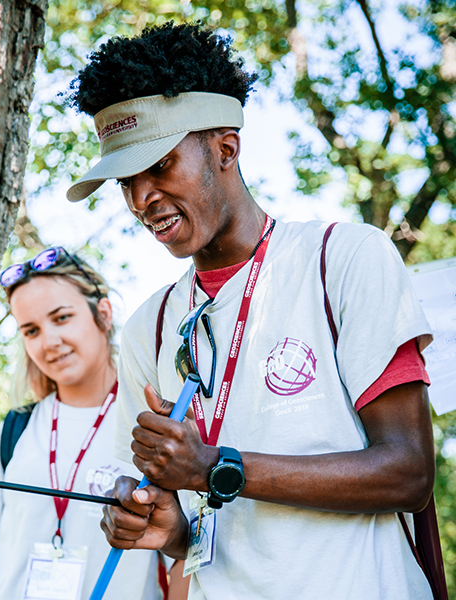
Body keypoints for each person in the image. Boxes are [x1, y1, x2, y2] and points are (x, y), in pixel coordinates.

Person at [64, 22, 436, 600]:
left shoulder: (343, 259)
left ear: (225, 148)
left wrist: (214, 466)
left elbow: (409, 471)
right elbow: (197, 528)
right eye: (126, 181)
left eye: (159, 165)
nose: (141, 198)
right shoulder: (150, 327)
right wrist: (166, 528)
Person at [0, 247, 175, 600]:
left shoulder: (152, 428)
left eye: (61, 318)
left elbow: (183, 563)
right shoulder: (16, 429)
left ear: (103, 314)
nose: (49, 342)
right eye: (31, 330)